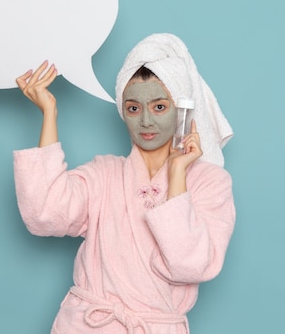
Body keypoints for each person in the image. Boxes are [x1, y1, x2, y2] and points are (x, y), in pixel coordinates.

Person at [13, 33, 235, 334]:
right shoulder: (104, 173)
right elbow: (45, 215)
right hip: (89, 325)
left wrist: (178, 171)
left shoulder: (211, 183)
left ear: (183, 110)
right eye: (133, 108)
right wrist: (49, 112)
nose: (145, 121)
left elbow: (188, 265)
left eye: (159, 107)